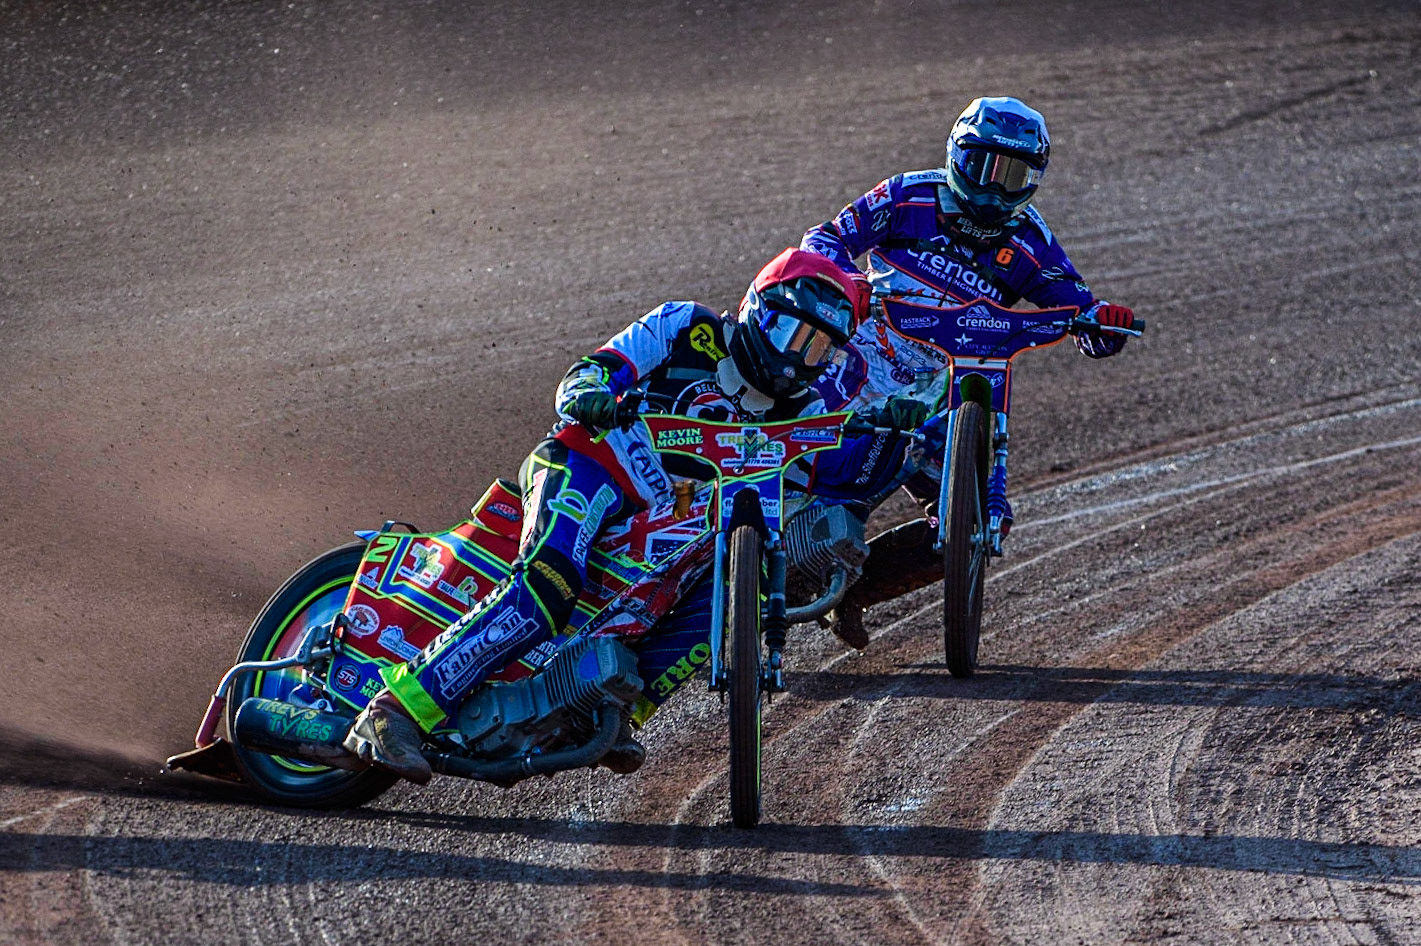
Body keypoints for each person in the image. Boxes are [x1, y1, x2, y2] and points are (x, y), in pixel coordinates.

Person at [342, 248, 866, 784]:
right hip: (593, 461)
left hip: (674, 518)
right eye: (790, 334)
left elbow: (791, 492)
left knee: (728, 595)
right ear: (758, 306)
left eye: (819, 347)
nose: (799, 358)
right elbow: (594, 370)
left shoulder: (803, 412)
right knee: (550, 582)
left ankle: (612, 714)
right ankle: (396, 710)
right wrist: (590, 394)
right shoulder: (686, 325)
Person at [799, 96, 1137, 649]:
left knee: (982, 525)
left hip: (943, 395)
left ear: (1035, 178)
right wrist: (847, 283)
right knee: (800, 461)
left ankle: (853, 588)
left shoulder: (1032, 241)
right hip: (856, 363)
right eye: (983, 167)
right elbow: (828, 240)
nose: (995, 189)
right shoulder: (906, 194)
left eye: (1014, 175)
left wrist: (1104, 326)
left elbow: (1080, 312)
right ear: (957, 154)